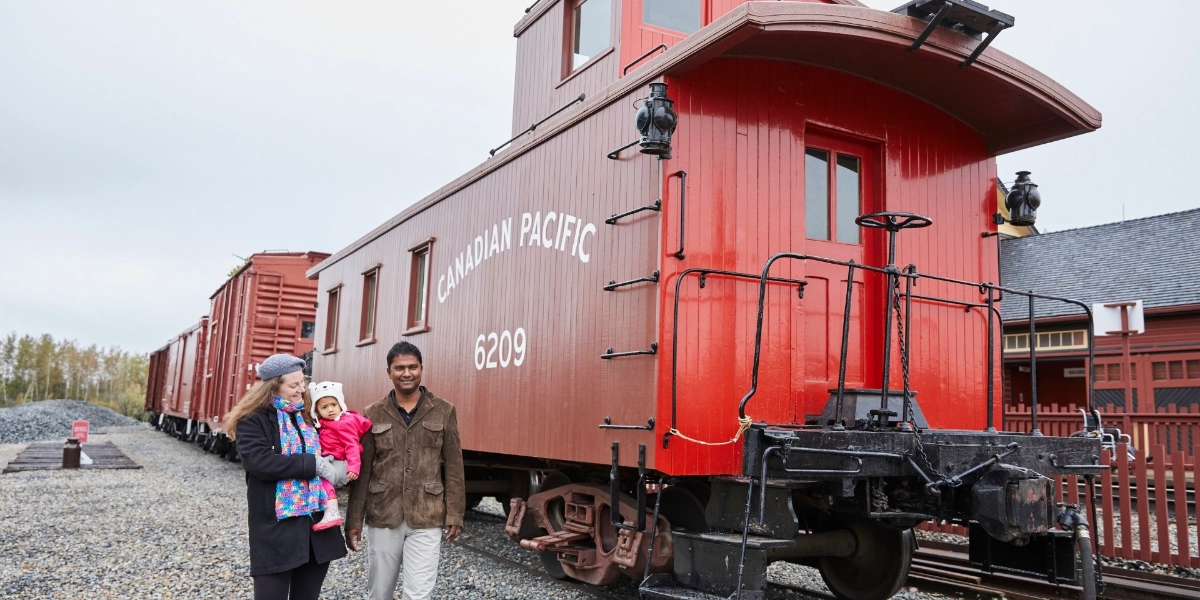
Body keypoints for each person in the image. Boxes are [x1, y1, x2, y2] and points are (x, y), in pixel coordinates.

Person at [345, 341, 466, 600]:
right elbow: (362, 472)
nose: (407, 373)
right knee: (379, 592)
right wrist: (353, 520)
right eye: (399, 368)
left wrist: (455, 514)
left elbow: (454, 467)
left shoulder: (444, 410)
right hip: (383, 513)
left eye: (413, 367)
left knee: (419, 594)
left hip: (427, 514)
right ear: (388, 372)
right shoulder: (372, 413)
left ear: (421, 369)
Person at [225, 353, 347, 600]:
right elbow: (260, 462)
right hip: (276, 531)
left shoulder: (309, 415)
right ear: (273, 387)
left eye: (302, 382)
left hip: (315, 530)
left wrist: (342, 466)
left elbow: (337, 442)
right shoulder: (253, 420)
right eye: (293, 385)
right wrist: (312, 464)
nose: (301, 389)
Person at [308, 380, 373, 532]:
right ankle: (327, 510)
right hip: (333, 461)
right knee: (319, 479)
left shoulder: (343, 423)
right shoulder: (324, 422)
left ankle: (332, 512)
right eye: (324, 407)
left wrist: (354, 468)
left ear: (341, 404)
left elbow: (352, 446)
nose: (330, 409)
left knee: (316, 468)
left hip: (342, 464)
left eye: (333, 405)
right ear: (316, 410)